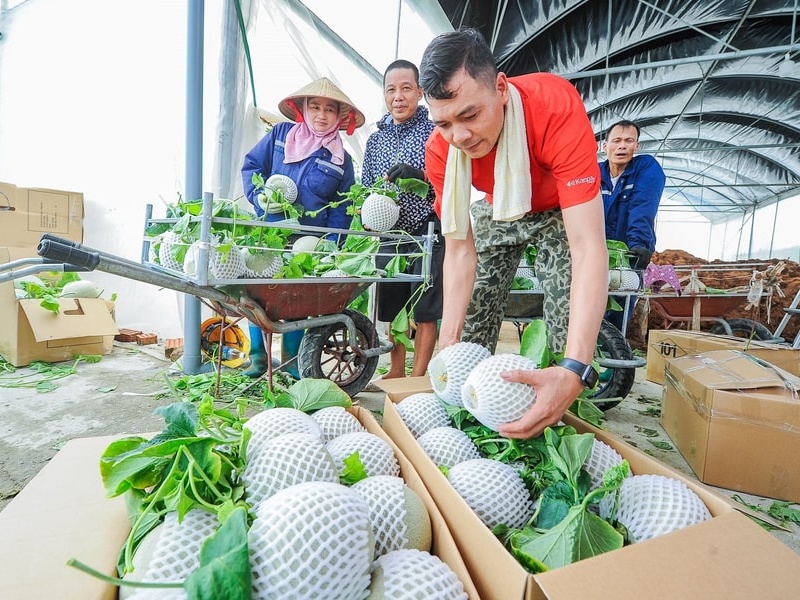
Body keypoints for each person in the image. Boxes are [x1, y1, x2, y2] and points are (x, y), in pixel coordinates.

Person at [419, 28, 608, 439]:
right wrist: (448, 342)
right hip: (500, 203)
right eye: (444, 123)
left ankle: (565, 412)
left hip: (561, 205)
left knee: (566, 325)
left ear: (501, 88)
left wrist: (576, 367)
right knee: (469, 322)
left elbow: (588, 248)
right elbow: (458, 253)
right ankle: (476, 416)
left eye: (470, 115)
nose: (460, 136)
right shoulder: (442, 150)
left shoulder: (554, 106)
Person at [240, 77, 364, 378]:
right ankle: (258, 358)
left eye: (329, 110)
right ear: (303, 109)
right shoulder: (281, 135)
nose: (322, 115)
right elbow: (252, 167)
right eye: (315, 107)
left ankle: (291, 361)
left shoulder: (341, 161)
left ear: (340, 116)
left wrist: (331, 244)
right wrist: (260, 199)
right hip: (268, 232)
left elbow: (340, 209)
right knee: (258, 291)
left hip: (308, 241)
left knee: (297, 297)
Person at [361, 59, 444, 380]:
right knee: (393, 310)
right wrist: (367, 215)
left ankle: (419, 374)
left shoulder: (436, 132)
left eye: (406, 88)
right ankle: (396, 370)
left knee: (425, 310)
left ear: (420, 92)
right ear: (384, 94)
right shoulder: (375, 140)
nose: (398, 96)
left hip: (428, 230)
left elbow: (450, 181)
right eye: (391, 90)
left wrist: (421, 176)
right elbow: (367, 185)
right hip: (390, 236)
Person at [599, 119, 666, 333]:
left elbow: (642, 207)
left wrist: (639, 244)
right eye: (616, 140)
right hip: (594, 255)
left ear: (636, 146)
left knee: (619, 307)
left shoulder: (645, 168)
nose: (622, 146)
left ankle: (612, 356)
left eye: (629, 141)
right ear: (604, 146)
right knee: (588, 309)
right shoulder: (593, 173)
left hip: (627, 255)